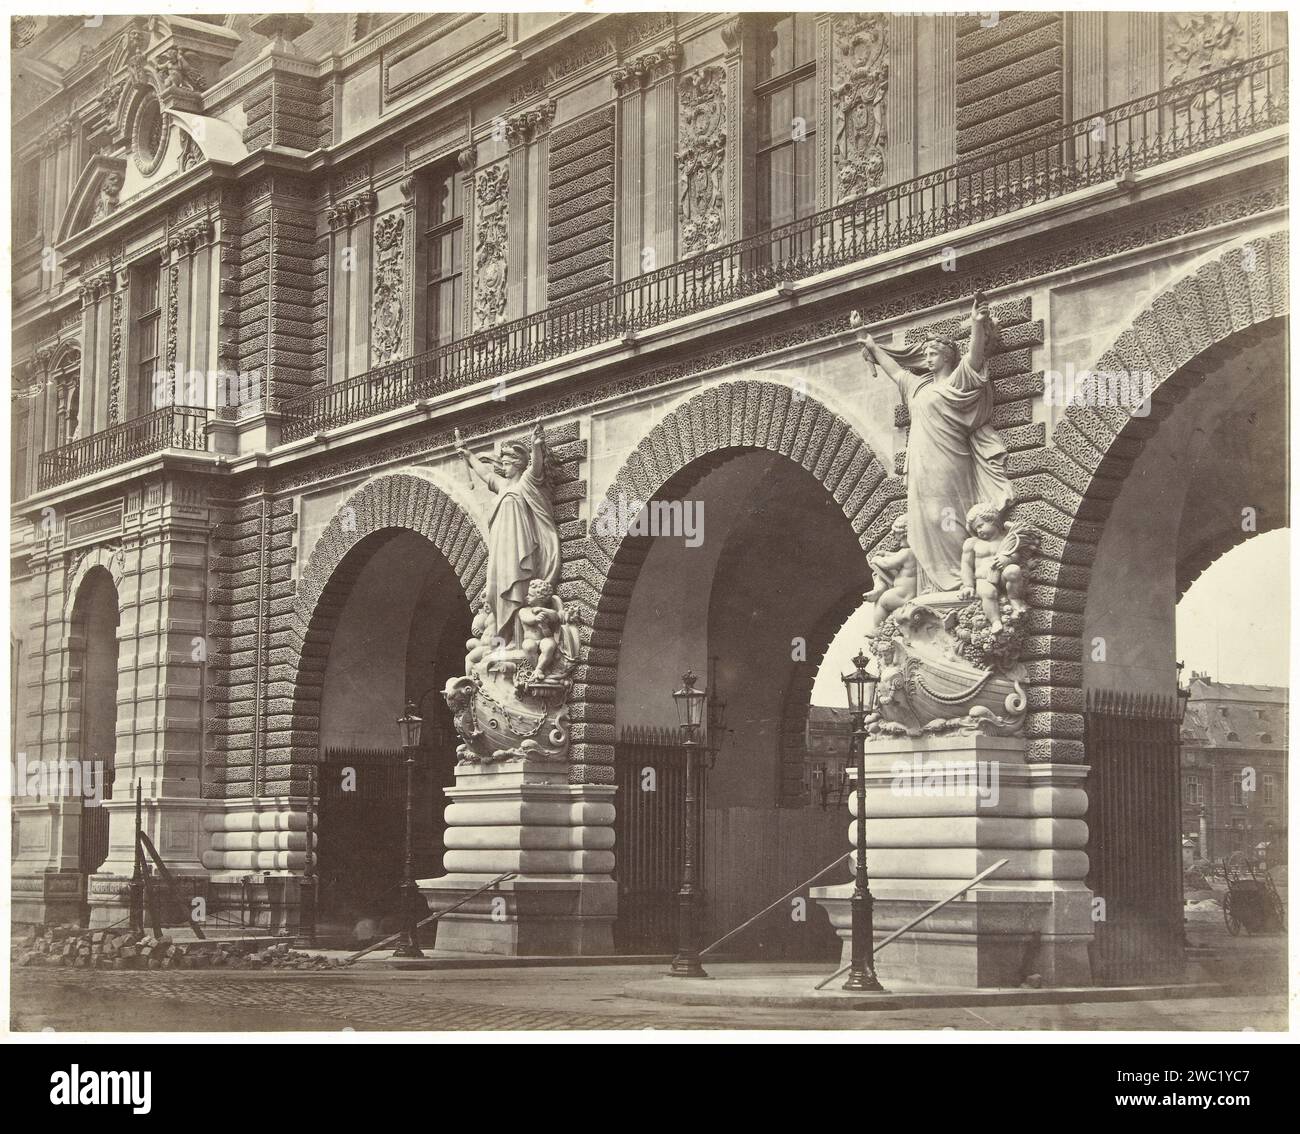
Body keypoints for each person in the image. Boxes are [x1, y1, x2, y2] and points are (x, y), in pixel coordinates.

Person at [853, 293, 1013, 591]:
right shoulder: (916, 386)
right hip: (919, 464)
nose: (927, 358)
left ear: (948, 356)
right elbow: (896, 371)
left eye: (933, 353)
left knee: (946, 514)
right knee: (924, 515)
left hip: (950, 460)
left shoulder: (958, 381)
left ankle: (959, 579)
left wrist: (978, 324)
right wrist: (871, 343)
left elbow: (975, 357)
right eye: (925, 354)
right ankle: (932, 584)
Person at [455, 422, 559, 649]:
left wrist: (535, 447)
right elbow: (484, 474)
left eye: (508, 463)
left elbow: (537, 468)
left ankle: (515, 639)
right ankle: (502, 640)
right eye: (503, 463)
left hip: (520, 549)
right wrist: (468, 454)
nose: (504, 467)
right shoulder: (502, 485)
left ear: (518, 465)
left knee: (516, 587)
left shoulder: (526, 483)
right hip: (501, 549)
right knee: (496, 589)